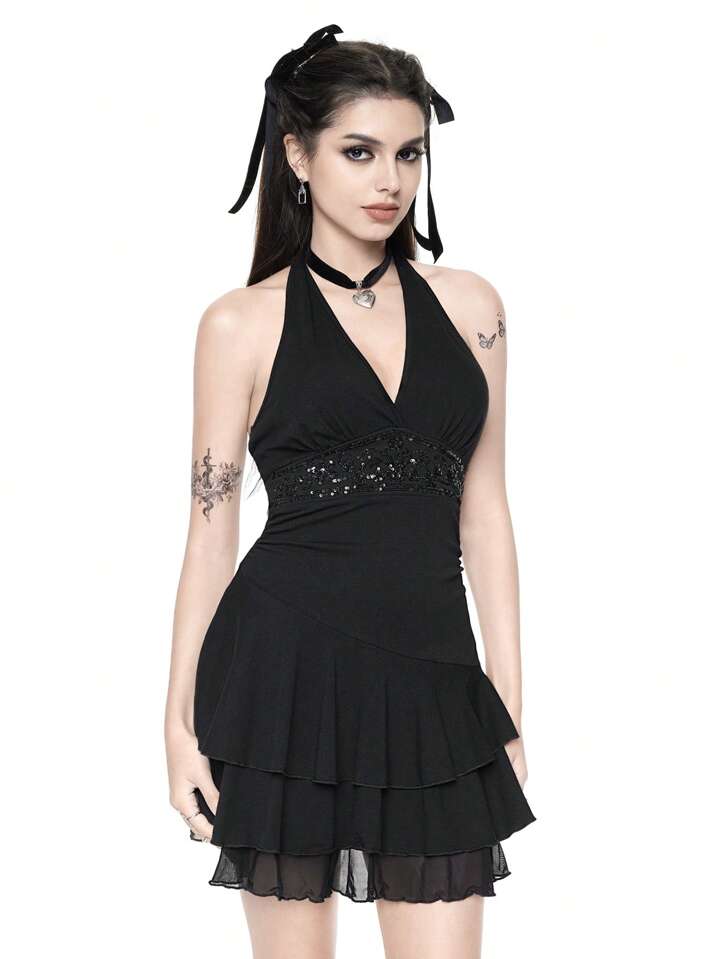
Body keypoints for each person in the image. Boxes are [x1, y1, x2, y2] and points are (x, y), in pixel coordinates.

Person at [164, 24, 536, 959]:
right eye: (360, 152)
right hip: (282, 676)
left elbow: (486, 511)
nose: (390, 180)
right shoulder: (239, 323)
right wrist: (177, 723)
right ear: (298, 155)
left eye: (409, 154)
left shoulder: (473, 308)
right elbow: (210, 532)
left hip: (434, 683)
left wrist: (507, 700)